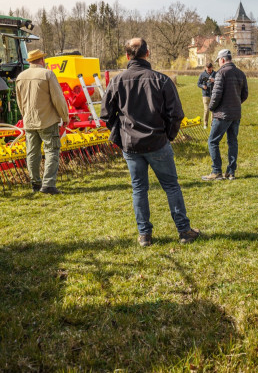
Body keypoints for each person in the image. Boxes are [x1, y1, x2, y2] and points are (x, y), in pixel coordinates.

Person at [100, 38, 200, 246]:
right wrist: (168, 136)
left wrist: (120, 135)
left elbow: (106, 115)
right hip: (156, 143)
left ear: (128, 56)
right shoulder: (161, 80)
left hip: (133, 145)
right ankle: (184, 231)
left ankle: (145, 235)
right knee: (171, 186)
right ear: (147, 53)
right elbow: (176, 114)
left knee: (139, 189)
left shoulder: (117, 82)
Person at [15, 48, 70, 194]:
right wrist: (64, 116)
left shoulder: (21, 77)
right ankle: (48, 185)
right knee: (52, 150)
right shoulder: (47, 74)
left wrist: (25, 116)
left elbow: (20, 102)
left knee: (32, 153)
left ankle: (35, 183)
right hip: (47, 120)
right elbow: (58, 98)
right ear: (41, 60)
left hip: (29, 121)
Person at [202, 49, 249, 181]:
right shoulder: (240, 73)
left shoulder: (221, 73)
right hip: (235, 114)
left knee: (212, 141)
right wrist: (236, 103)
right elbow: (245, 94)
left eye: (219, 61)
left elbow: (216, 95)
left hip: (222, 114)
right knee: (232, 142)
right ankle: (231, 172)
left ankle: (216, 171)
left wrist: (211, 108)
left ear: (222, 60)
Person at [197, 62, 216, 129]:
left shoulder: (215, 74)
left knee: (213, 110)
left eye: (210, 70)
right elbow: (198, 83)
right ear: (205, 68)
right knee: (206, 110)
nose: (209, 71)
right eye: (208, 70)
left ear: (212, 68)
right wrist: (202, 86)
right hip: (205, 95)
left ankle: (212, 124)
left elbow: (220, 82)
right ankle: (205, 124)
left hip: (214, 94)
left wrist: (215, 80)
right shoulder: (202, 74)